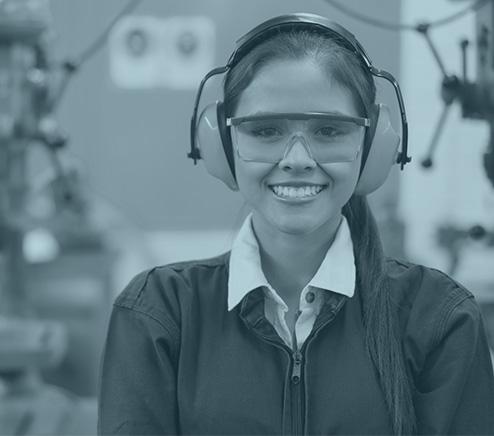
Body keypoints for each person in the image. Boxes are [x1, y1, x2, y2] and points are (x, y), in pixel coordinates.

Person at [98, 12, 494, 435]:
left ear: (374, 146)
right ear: (222, 147)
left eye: (329, 131)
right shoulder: (159, 314)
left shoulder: (439, 320)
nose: (297, 159)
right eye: (265, 131)